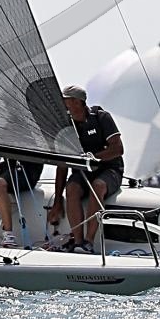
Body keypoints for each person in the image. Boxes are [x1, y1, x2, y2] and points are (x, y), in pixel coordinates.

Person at [47, 85, 124, 252]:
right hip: (82, 172)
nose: (62, 104)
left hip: (109, 169)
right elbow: (62, 165)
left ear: (76, 102)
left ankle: (89, 242)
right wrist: (57, 201)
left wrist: (94, 157)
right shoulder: (66, 126)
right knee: (72, 188)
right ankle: (78, 242)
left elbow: (118, 149)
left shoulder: (101, 117)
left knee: (98, 186)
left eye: (65, 100)